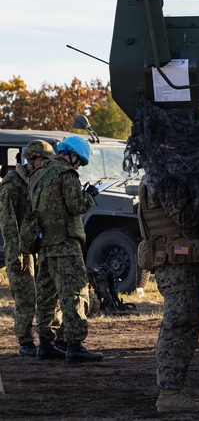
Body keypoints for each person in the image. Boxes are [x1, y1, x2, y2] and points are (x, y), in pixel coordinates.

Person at [137, 176, 199, 413]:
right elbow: (184, 216)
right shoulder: (167, 176)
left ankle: (172, 391)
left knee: (185, 321)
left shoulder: (161, 172)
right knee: (179, 321)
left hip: (178, 259)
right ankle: (170, 394)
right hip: (176, 261)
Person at [31, 135, 102, 363]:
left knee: (46, 296)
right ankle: (75, 345)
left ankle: (45, 344)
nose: (78, 165)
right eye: (79, 161)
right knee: (74, 293)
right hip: (65, 245)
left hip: (44, 245)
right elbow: (76, 206)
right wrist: (90, 196)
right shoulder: (66, 174)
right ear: (71, 155)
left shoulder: (38, 173)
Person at [0, 139, 54, 356]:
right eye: (44, 160)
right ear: (32, 160)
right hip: (21, 247)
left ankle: (48, 337)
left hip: (39, 245)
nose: (47, 164)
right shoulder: (12, 183)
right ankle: (24, 341)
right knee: (25, 295)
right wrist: (15, 254)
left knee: (46, 294)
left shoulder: (39, 180)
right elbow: (7, 221)